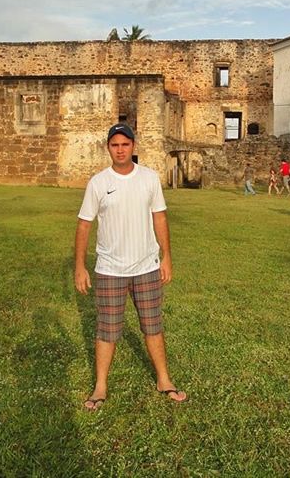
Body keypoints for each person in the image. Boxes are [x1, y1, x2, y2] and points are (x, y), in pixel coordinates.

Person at [74, 123, 187, 411]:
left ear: (133, 146)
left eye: (125, 144)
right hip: (110, 269)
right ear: (108, 148)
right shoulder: (98, 183)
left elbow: (159, 218)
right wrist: (80, 266)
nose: (120, 149)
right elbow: (84, 224)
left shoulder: (149, 179)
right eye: (115, 145)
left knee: (152, 325)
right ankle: (100, 386)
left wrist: (167, 256)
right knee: (107, 330)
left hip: (146, 266)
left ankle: (164, 379)